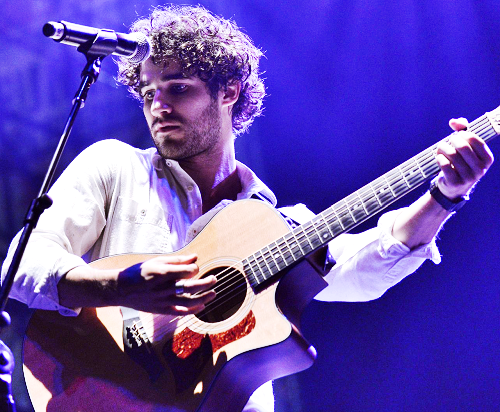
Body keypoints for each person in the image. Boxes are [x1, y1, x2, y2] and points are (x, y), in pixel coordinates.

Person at [1, 4, 494, 412]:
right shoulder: (115, 165)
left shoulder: (271, 223)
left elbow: (363, 268)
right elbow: (21, 263)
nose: (158, 106)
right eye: (149, 92)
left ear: (228, 91)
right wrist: (119, 285)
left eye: (178, 88)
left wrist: (444, 196)